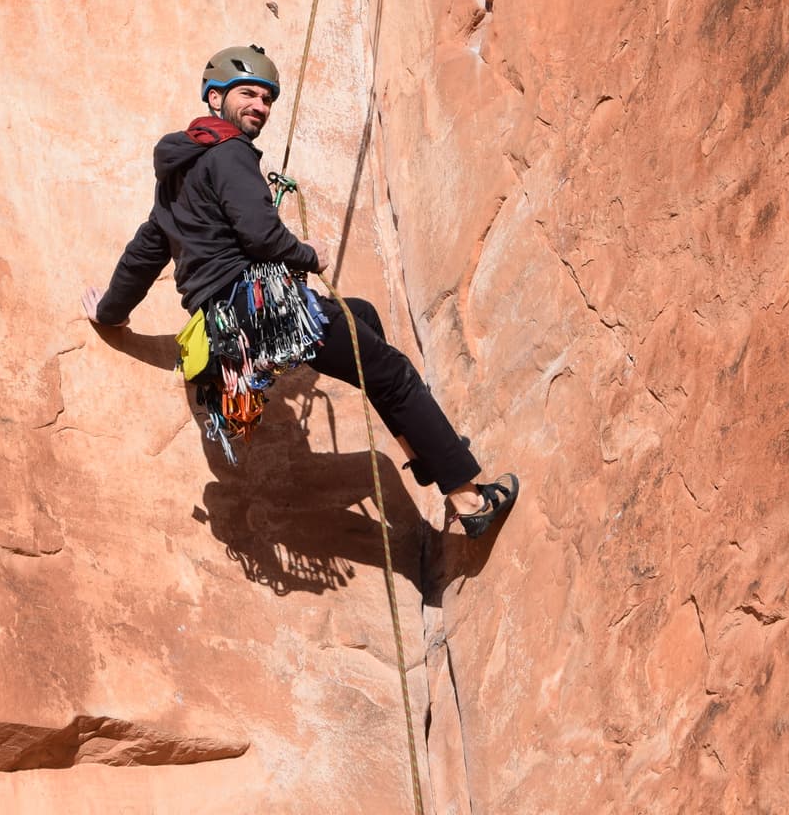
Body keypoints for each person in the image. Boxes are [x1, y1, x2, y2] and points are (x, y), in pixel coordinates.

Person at [82, 44, 518, 538]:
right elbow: (260, 236)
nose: (260, 107)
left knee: (362, 319)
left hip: (229, 332)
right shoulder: (230, 154)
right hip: (263, 309)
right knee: (393, 374)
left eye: (267, 99)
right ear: (214, 97)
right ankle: (469, 497)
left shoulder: (178, 174)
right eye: (248, 94)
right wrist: (309, 255)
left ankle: (424, 453)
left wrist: (109, 311)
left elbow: (145, 250)